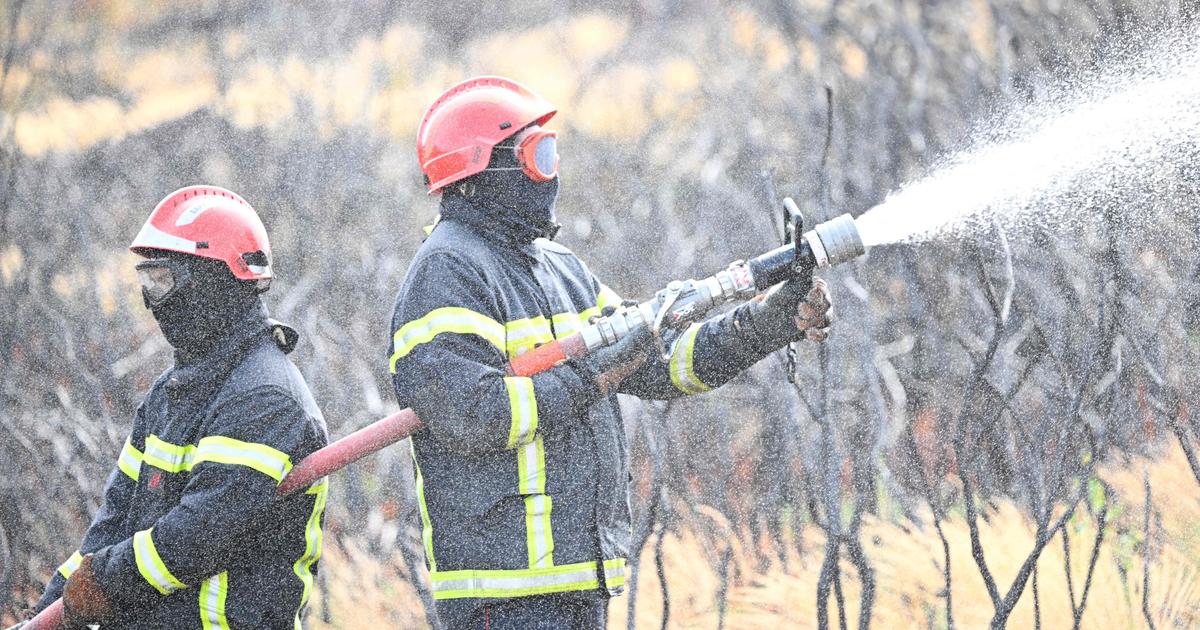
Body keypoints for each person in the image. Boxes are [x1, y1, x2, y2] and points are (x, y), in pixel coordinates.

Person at [389, 76, 832, 630]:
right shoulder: (447, 272)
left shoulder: (559, 269)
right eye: (537, 155)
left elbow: (662, 362)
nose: (549, 174)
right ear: (484, 172)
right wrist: (593, 374)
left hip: (578, 583)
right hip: (504, 597)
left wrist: (767, 323)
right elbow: (471, 415)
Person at [30, 186, 330, 629]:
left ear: (214, 281)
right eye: (146, 282)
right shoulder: (170, 394)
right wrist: (52, 606)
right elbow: (114, 520)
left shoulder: (265, 400)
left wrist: (103, 582)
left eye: (163, 281)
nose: (153, 301)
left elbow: (197, 539)